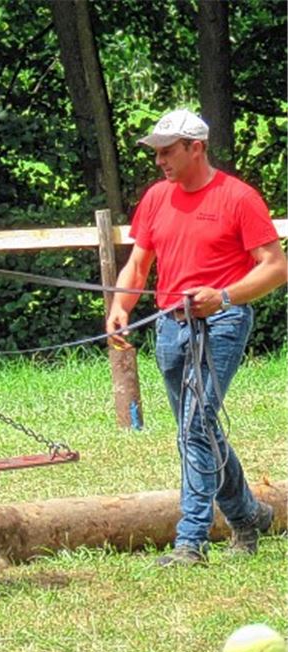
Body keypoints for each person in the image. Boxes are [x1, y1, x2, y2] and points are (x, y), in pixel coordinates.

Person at [106, 109, 287, 567]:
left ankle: (191, 541)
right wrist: (121, 307)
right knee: (200, 431)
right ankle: (249, 516)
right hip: (170, 325)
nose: (160, 160)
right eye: (157, 152)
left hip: (221, 326)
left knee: (193, 428)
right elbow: (138, 262)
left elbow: (275, 268)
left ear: (196, 148)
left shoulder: (238, 198)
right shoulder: (155, 199)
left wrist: (224, 296)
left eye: (168, 151)